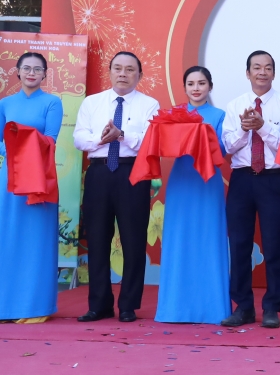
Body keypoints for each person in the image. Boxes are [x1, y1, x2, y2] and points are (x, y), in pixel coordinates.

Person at [73, 51, 159, 322]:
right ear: (109, 72)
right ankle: (99, 304)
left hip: (132, 172)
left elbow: (149, 140)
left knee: (133, 240)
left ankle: (128, 306)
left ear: (139, 75)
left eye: (130, 70)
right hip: (99, 173)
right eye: (118, 68)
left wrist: (121, 135)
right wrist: (101, 140)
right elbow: (79, 137)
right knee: (97, 239)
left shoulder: (150, 104)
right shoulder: (92, 102)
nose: (123, 74)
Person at [155, 66, 230, 324]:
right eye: (191, 83)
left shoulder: (220, 115)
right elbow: (162, 144)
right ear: (184, 87)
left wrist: (202, 136)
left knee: (209, 238)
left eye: (201, 83)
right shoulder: (174, 114)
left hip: (208, 182)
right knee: (180, 240)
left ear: (210, 86)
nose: (196, 88)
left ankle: (212, 309)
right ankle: (174, 308)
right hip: (181, 181)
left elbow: (222, 149)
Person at [221, 51, 280, 329]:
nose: (262, 72)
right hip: (241, 180)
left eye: (268, 68)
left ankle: (272, 308)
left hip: (272, 179)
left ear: (274, 73)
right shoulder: (234, 105)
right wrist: (244, 129)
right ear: (247, 73)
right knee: (239, 245)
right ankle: (243, 308)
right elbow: (228, 146)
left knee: (274, 244)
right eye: (256, 68)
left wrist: (262, 128)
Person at [0, 52, 63, 322]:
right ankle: (7, 306)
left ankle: (35, 307)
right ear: (17, 71)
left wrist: (21, 143)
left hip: (39, 176)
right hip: (10, 178)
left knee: (37, 240)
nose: (31, 73)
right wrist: (16, 146)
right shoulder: (5, 103)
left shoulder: (52, 102)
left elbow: (50, 139)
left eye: (38, 69)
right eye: (26, 68)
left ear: (45, 75)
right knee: (8, 239)